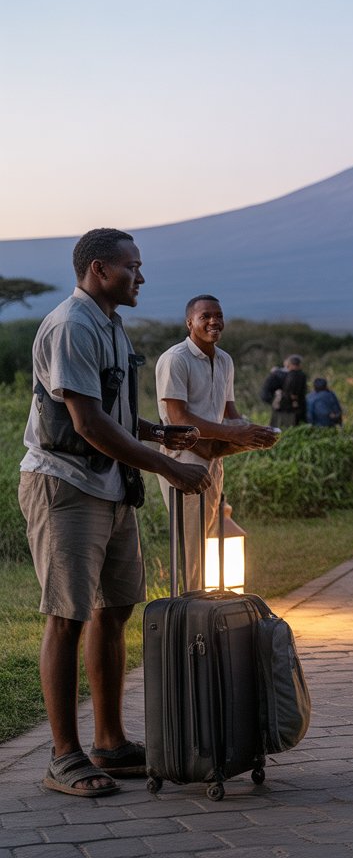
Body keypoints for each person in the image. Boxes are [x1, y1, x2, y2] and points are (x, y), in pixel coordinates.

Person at [19, 228, 212, 799]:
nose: (141, 277)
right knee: (67, 615)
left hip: (108, 485)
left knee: (117, 606)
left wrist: (156, 431)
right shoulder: (72, 325)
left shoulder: (110, 324)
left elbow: (114, 411)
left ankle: (109, 742)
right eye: (133, 267)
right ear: (100, 270)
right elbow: (86, 424)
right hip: (66, 486)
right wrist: (166, 464)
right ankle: (63, 756)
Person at [155, 295, 280, 591]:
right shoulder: (176, 359)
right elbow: (177, 418)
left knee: (209, 535)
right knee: (191, 543)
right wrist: (235, 435)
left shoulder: (224, 360)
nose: (214, 321)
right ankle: (189, 608)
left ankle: (207, 608)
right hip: (182, 459)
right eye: (205, 316)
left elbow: (229, 412)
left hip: (213, 457)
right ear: (190, 323)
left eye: (218, 315)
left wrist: (253, 432)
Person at [271, 354, 307, 427]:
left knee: (291, 425)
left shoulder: (294, 375)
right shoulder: (301, 374)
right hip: (297, 405)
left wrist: (294, 401)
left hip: (292, 407)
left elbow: (294, 392)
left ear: (292, 364)